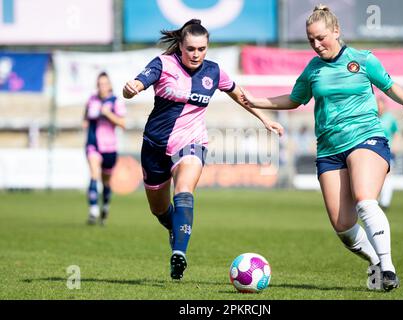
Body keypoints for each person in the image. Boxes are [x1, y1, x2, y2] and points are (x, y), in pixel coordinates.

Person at [241, 5, 403, 291]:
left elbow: (389, 85)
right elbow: (294, 99)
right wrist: (256, 102)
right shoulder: (313, 69)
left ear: (336, 32)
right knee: (343, 227)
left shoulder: (362, 60)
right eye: (311, 40)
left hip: (366, 137)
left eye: (321, 38)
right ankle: (375, 262)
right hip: (329, 150)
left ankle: (388, 267)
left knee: (365, 199)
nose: (317, 45)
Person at [122, 19, 283, 280]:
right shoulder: (163, 64)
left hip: (192, 143)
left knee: (184, 191)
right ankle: (174, 228)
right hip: (154, 146)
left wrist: (264, 118)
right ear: (181, 47)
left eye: (202, 49)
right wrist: (131, 89)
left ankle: (179, 254)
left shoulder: (213, 72)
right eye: (191, 49)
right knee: (159, 211)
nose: (196, 54)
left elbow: (240, 94)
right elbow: (137, 84)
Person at [83, 71, 126, 226]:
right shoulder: (91, 100)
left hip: (110, 147)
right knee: (94, 174)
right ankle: (93, 210)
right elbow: (85, 120)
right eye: (100, 84)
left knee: (106, 181)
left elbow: (122, 123)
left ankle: (105, 206)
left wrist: (108, 114)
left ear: (109, 85)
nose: (102, 86)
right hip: (93, 144)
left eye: (105, 84)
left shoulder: (115, 101)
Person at [377, 97, 399, 211]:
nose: (379, 107)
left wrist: (396, 146)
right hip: (374, 151)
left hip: (387, 150)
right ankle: (375, 200)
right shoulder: (372, 117)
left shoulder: (390, 119)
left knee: (387, 175)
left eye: (381, 105)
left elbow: (396, 132)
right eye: (377, 105)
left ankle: (385, 202)